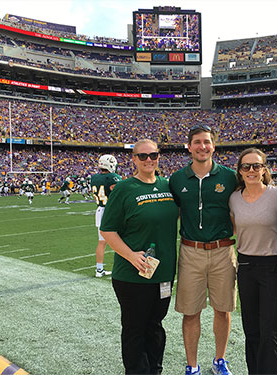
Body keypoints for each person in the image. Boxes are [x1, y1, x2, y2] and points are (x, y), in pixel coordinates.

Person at [100, 139, 179, 375]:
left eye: (153, 155)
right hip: (132, 275)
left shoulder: (168, 185)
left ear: (158, 157)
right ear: (133, 159)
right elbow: (107, 230)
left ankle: (154, 369)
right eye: (142, 156)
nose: (148, 160)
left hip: (163, 272)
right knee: (135, 328)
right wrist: (132, 256)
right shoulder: (124, 189)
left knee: (155, 325)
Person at [169, 125, 237, 375]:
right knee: (190, 311)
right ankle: (192, 365)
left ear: (214, 146)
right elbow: (168, 214)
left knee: (223, 308)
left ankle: (220, 360)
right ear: (189, 146)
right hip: (190, 251)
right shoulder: (177, 179)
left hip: (223, 250)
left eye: (207, 141)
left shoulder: (229, 176)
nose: (202, 146)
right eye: (197, 142)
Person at [228, 148, 277, 375]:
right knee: (251, 329)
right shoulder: (233, 198)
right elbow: (232, 227)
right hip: (245, 266)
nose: (251, 170)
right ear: (240, 171)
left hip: (273, 265)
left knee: (271, 330)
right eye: (246, 166)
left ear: (264, 169)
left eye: (256, 166)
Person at [91, 154, 122, 278]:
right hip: (112, 211)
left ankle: (99, 270)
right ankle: (123, 268)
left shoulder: (94, 178)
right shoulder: (113, 177)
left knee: (101, 242)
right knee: (121, 241)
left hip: (100, 210)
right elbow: (120, 192)